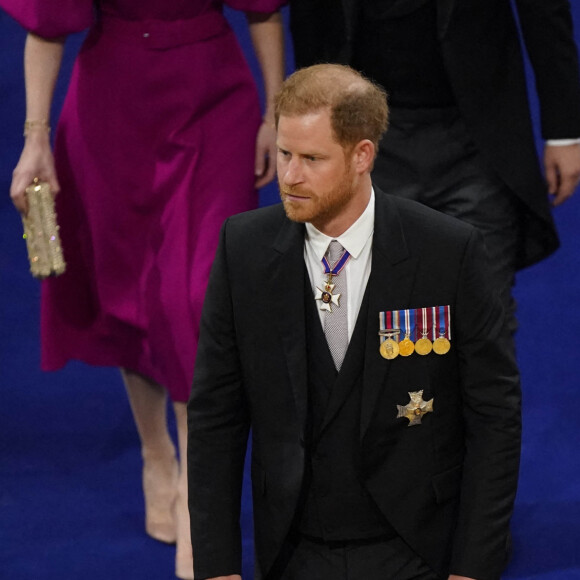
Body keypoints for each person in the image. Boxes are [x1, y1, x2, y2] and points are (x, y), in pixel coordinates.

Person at [187, 64, 522, 580]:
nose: (290, 176)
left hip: (417, 549)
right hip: (293, 552)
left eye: (312, 159)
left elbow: (494, 416)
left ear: (362, 155)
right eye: (284, 154)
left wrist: (473, 568)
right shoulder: (243, 250)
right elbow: (215, 420)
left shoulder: (447, 252)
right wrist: (217, 568)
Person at [2, 0, 285, 578]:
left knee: (197, 297)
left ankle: (196, 493)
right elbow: (47, 23)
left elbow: (263, 11)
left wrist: (277, 114)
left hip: (214, 100)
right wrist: (36, 137)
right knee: (130, 294)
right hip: (112, 108)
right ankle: (157, 453)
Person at [289, 0, 580, 333]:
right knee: (370, 327)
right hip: (364, 143)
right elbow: (310, 17)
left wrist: (564, 132)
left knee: (484, 322)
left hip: (477, 141)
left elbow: (545, 10)